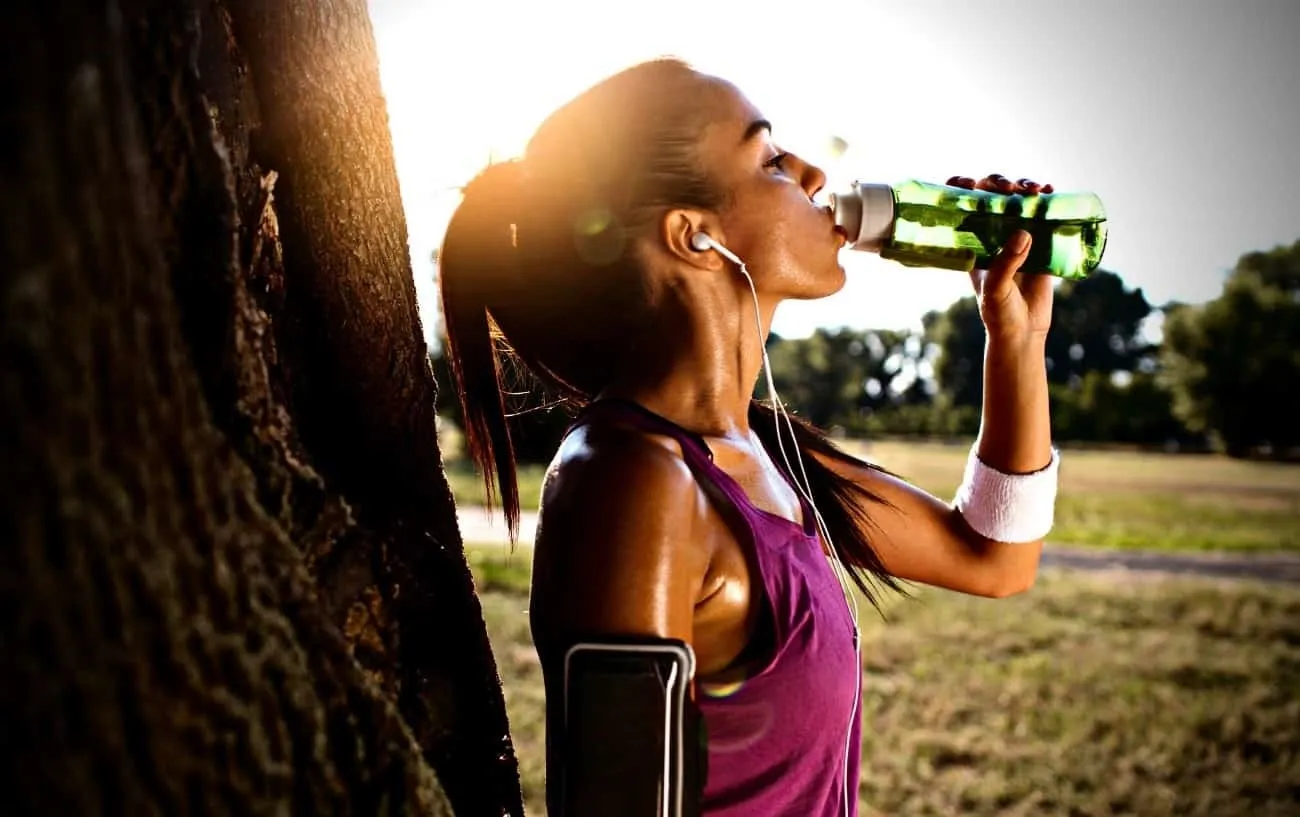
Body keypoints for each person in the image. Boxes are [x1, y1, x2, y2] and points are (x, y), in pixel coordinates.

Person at [437, 58, 1059, 817]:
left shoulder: (767, 453)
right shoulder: (631, 482)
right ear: (694, 235)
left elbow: (994, 556)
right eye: (769, 159)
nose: (813, 172)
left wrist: (1017, 338)